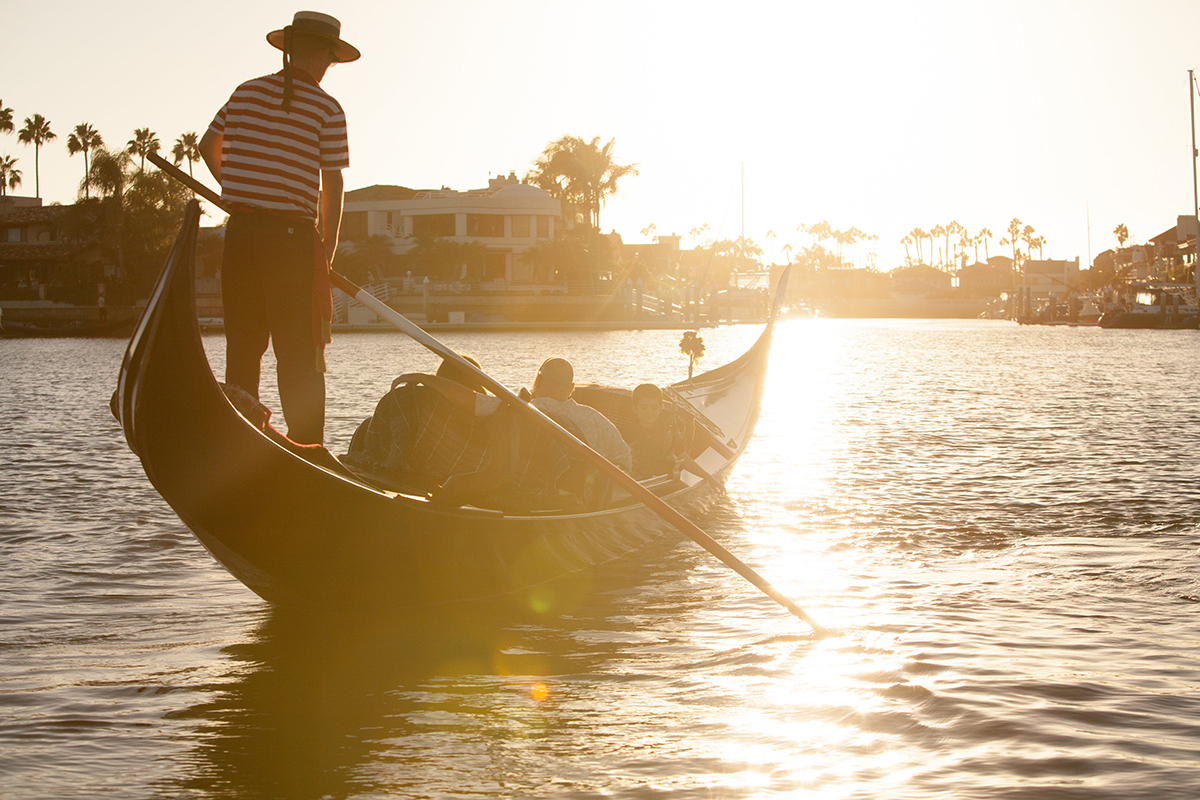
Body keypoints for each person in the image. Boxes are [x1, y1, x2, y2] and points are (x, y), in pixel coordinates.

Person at [198, 11, 359, 445]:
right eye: (331, 59)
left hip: (242, 235)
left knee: (244, 347)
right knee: (299, 354)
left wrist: (232, 189)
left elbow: (207, 145)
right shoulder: (327, 108)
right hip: (291, 242)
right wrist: (328, 245)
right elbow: (334, 182)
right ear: (325, 55)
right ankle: (308, 447)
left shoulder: (246, 92)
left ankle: (238, 438)